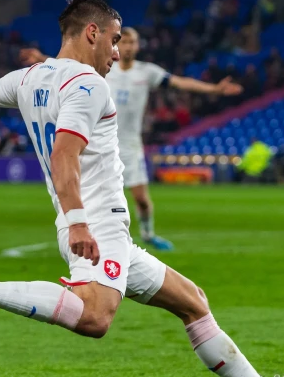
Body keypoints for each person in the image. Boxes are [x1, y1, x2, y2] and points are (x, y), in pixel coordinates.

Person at [0, 0, 284, 377]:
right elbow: (63, 156)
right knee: (95, 317)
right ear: (92, 33)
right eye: (115, 39)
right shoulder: (88, 84)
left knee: (193, 302)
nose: (117, 51)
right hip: (96, 224)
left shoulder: (30, 77)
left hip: (93, 226)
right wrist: (81, 222)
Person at [20, 28, 243, 251]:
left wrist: (215, 89)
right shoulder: (104, 68)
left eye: (132, 42)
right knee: (91, 195)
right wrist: (40, 58)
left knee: (143, 201)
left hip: (130, 146)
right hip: (100, 143)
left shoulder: (147, 72)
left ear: (138, 46)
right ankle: (84, 233)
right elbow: (68, 65)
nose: (128, 46)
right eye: (124, 41)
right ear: (116, 44)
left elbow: (180, 83)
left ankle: (148, 234)